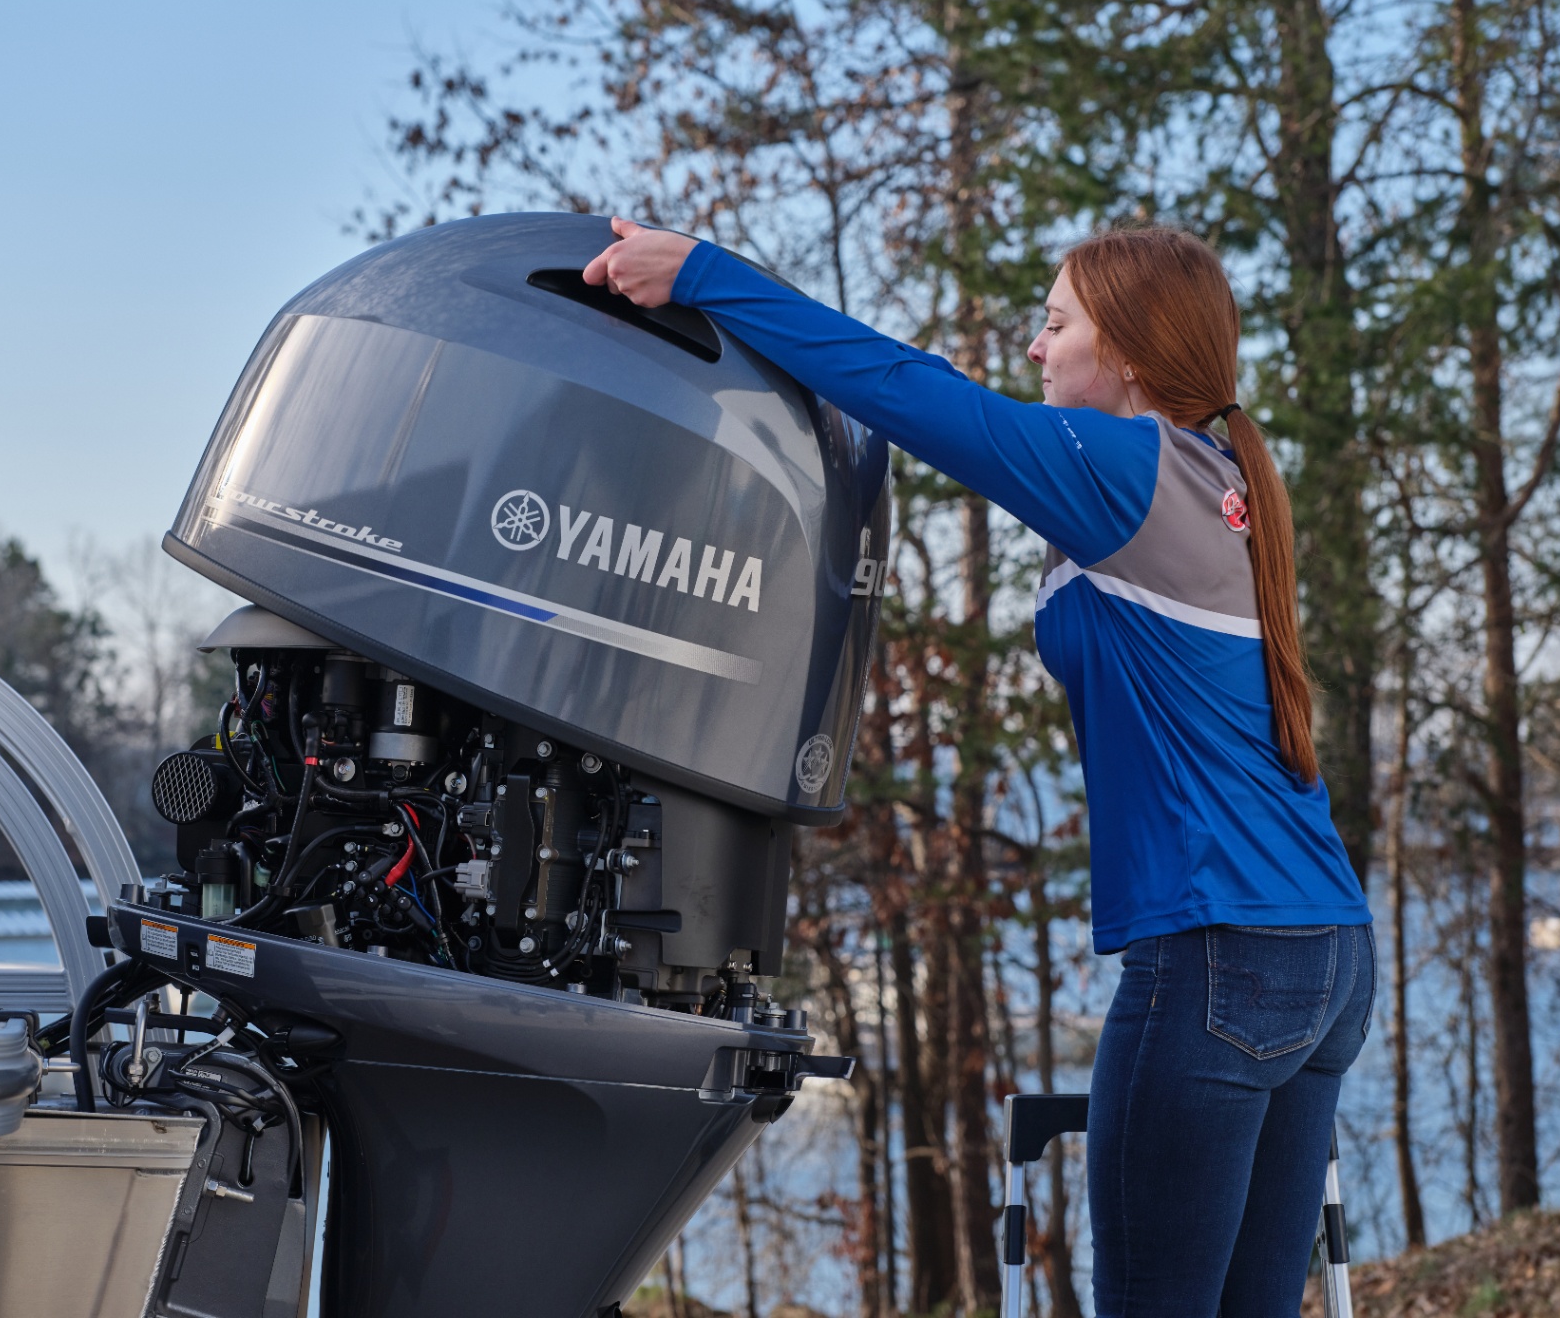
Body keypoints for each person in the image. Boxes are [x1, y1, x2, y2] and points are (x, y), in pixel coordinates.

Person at [584, 216, 1374, 1318]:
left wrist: (705, 276)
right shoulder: (1217, 476)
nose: (1037, 347)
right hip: (1326, 951)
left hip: (1214, 962)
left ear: (1132, 357)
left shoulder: (1122, 466)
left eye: (1056, 325)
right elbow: (956, 403)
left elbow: (908, 394)